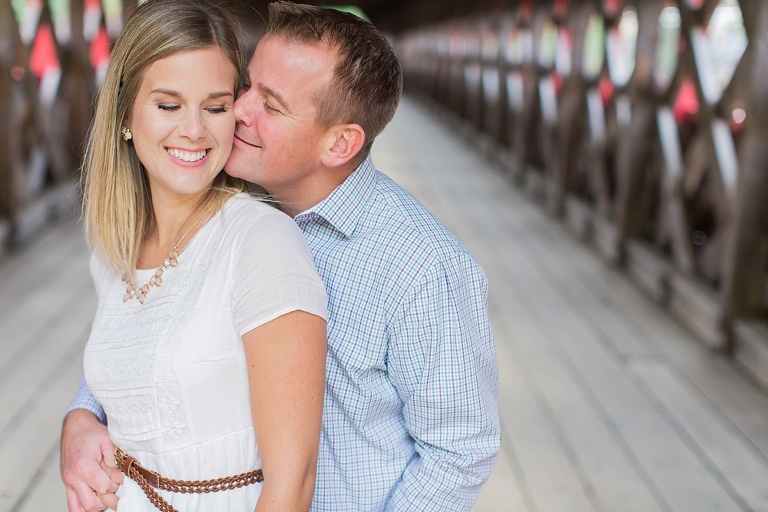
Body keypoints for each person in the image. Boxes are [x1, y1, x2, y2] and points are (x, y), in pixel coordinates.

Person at [62, 2, 499, 511]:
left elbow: (458, 453)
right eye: (246, 85)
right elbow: (154, 328)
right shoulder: (206, 194)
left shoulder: (422, 267)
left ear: (339, 144)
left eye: (271, 105)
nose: (238, 109)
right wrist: (82, 415)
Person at [62, 0, 329, 511]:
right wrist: (78, 420)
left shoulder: (260, 242)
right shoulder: (112, 252)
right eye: (168, 105)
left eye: (215, 106)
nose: (194, 130)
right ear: (124, 113)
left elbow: (292, 487)